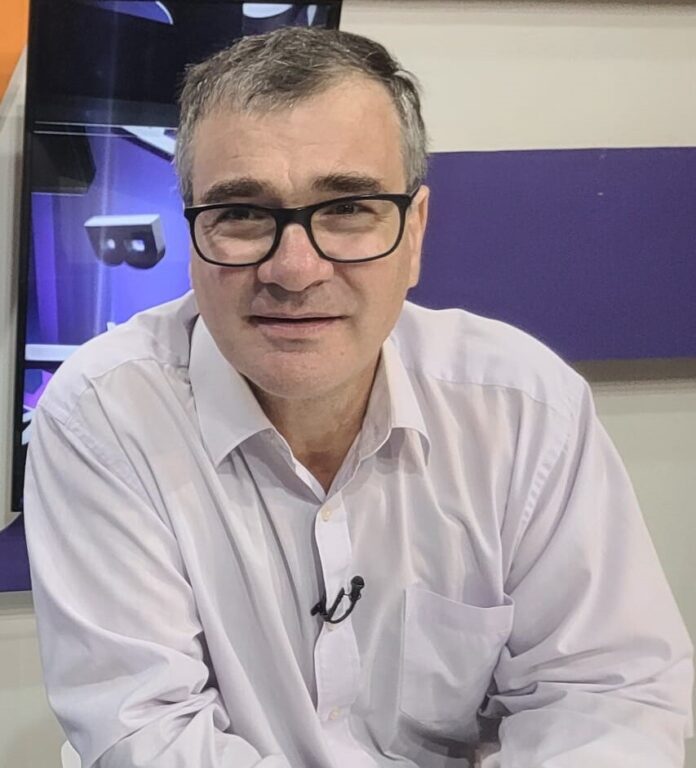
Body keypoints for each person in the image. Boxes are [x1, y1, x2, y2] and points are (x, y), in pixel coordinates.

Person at [24, 27, 692, 768]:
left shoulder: (526, 409)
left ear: (415, 232)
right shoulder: (105, 415)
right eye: (242, 213)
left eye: (347, 208)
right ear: (194, 233)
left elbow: (610, 697)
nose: (295, 269)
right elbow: (146, 736)